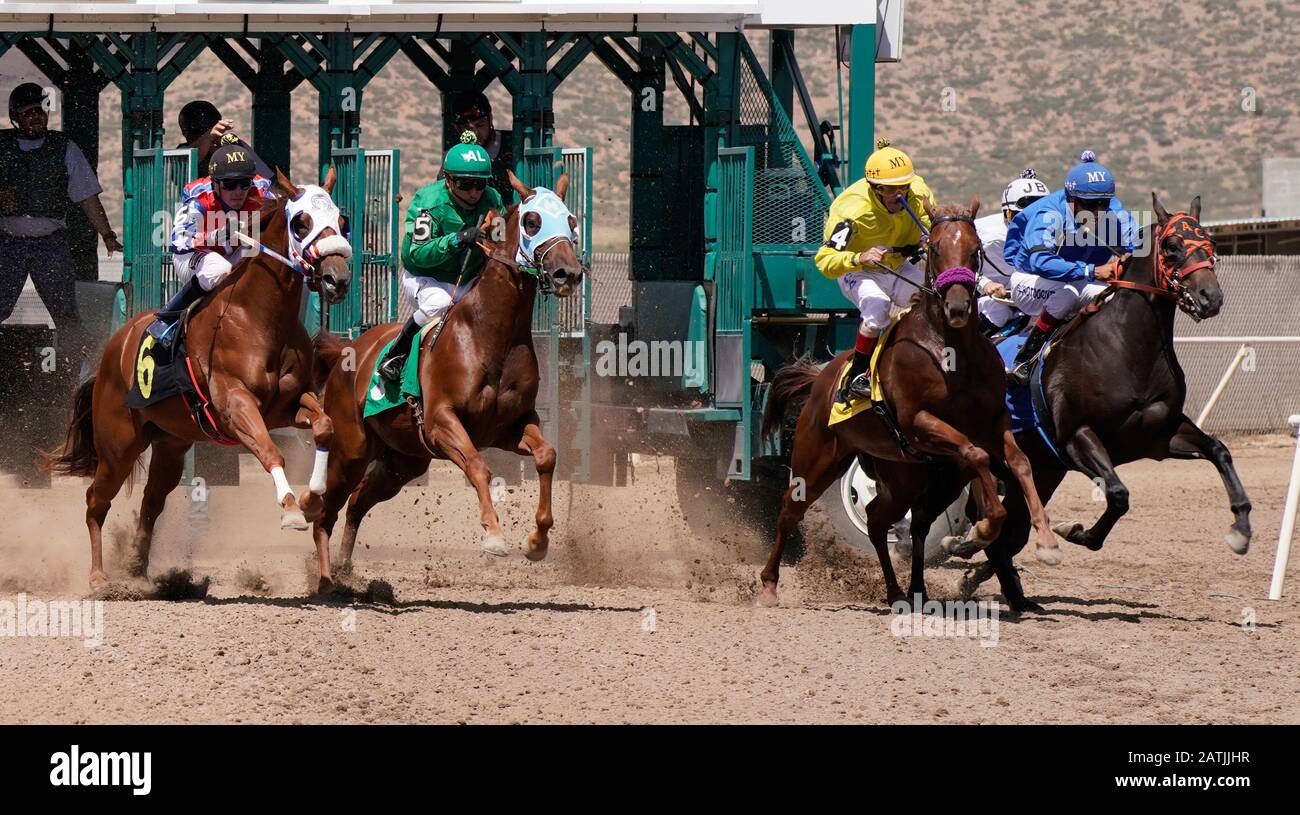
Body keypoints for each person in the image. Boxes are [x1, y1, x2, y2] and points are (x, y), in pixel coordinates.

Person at [814, 138, 936, 405]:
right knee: (878, 304)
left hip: (898, 267)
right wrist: (860, 257)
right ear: (874, 188)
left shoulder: (918, 193)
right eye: (891, 190)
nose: (900, 194)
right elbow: (825, 260)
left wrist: (930, 238)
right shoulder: (851, 211)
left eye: (904, 186)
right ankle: (857, 375)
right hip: (858, 272)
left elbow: (931, 226)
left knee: (933, 299)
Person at [1002, 150, 1139, 385]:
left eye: (1103, 203)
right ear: (1071, 198)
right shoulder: (1048, 213)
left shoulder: (1113, 211)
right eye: (1089, 204)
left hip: (1078, 281)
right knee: (1064, 295)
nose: (1097, 210)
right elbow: (1040, 261)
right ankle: (1025, 358)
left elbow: (1138, 246)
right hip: (1029, 279)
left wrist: (1128, 260)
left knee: (1111, 298)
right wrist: (1093, 271)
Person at [375, 132, 503, 382]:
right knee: (440, 303)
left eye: (480, 184)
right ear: (448, 180)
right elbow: (415, 254)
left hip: (467, 280)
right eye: (465, 184)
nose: (474, 192)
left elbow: (500, 243)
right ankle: (396, 353)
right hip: (425, 278)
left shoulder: (493, 199)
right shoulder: (428, 202)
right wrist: (456, 239)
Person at [0, 82, 122, 341]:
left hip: (50, 244)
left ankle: (75, 373)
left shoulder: (64, 147)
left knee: (66, 313)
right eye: (28, 112)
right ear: (15, 118)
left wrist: (107, 234)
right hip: (8, 243)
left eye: (40, 111)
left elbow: (87, 196)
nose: (36, 117)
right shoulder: (2, 146)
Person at [147, 139, 275, 346]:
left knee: (264, 257)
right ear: (215, 183)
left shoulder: (260, 190)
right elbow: (177, 240)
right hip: (193, 256)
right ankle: (168, 317)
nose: (238, 191)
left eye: (244, 183)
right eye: (230, 184)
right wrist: (215, 236)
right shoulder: (200, 197)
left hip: (233, 251)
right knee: (218, 268)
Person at [974, 169, 1050, 332]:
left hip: (1022, 298)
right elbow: (954, 266)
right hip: (980, 297)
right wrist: (985, 284)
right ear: (1007, 214)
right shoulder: (986, 237)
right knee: (998, 311)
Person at [446, 91, 515, 205]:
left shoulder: (512, 144)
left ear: (490, 120)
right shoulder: (453, 158)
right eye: (468, 128)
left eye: (480, 125)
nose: (475, 133)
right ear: (458, 129)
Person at [176, 100, 272, 178]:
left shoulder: (234, 146)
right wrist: (208, 137)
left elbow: (266, 180)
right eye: (201, 133)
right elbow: (190, 159)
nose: (213, 140)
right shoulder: (181, 154)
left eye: (215, 132)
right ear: (186, 135)